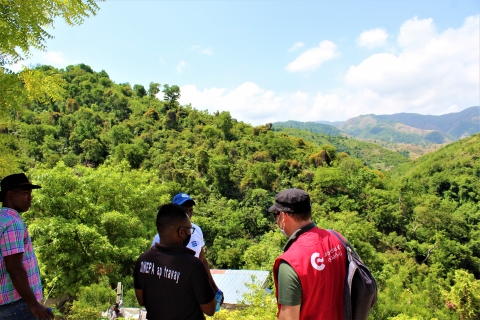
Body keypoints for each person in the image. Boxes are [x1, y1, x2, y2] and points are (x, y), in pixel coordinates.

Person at [269, 188, 347, 320]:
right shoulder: (338, 238)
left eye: (275, 215)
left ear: (283, 216)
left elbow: (289, 317)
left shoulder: (290, 263)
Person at [134, 204, 217, 319]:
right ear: (181, 232)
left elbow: (141, 300)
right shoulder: (193, 266)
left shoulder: (142, 261)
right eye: (190, 230)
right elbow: (210, 309)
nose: (190, 233)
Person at [0, 173, 55, 320]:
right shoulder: (13, 223)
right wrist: (34, 305)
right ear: (10, 195)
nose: (30, 197)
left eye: (30, 193)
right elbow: (14, 267)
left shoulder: (2, 219)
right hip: (16, 306)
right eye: (25, 193)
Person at [151, 193, 220, 293]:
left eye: (190, 210)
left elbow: (202, 260)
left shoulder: (197, 231)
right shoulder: (161, 238)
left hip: (194, 288)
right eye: (184, 210)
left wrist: (213, 287)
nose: (188, 214)